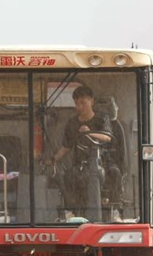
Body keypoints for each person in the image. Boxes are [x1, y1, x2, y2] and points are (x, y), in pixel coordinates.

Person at [45, 85, 121, 213]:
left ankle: (116, 211)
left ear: (92, 101)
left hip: (103, 163)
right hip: (80, 165)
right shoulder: (72, 123)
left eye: (82, 103)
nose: (79, 107)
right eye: (76, 103)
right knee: (68, 177)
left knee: (115, 172)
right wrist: (53, 159)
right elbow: (66, 147)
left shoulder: (102, 118)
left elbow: (107, 137)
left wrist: (89, 133)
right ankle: (73, 212)